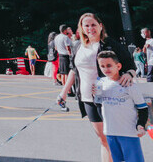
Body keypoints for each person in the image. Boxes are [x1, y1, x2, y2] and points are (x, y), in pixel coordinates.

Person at [58, 13, 137, 162]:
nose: (90, 28)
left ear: (100, 26)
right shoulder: (77, 45)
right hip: (87, 98)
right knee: (103, 139)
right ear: (81, 28)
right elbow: (73, 70)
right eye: (86, 25)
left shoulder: (109, 44)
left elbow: (130, 64)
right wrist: (63, 92)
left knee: (113, 139)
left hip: (108, 98)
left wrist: (129, 74)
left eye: (93, 24)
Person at [93, 51, 148, 162]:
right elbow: (99, 105)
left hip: (129, 133)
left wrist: (141, 125)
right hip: (110, 132)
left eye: (109, 65)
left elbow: (143, 108)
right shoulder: (100, 83)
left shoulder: (129, 84)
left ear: (118, 66)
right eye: (102, 66)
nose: (105, 69)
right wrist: (94, 95)